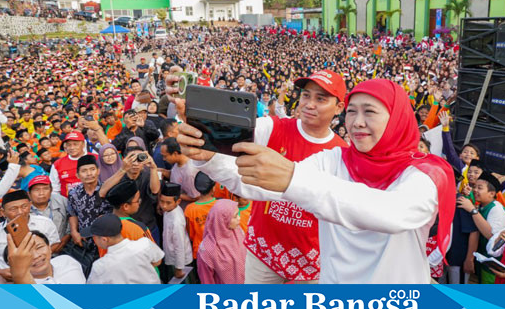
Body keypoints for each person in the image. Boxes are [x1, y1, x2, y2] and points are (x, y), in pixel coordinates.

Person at [180, 79, 455, 284]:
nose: (357, 122)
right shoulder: (334, 159)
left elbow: (391, 213)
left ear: (397, 118)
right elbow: (260, 184)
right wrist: (211, 158)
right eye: (352, 112)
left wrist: (292, 177)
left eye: (369, 112)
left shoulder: (427, 173)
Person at [172, 68, 349, 284]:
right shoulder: (272, 127)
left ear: (339, 107)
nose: (309, 104)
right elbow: (236, 166)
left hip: (311, 260)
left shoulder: (342, 154)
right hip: (263, 252)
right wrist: (207, 151)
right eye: (305, 95)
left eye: (320, 99)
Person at [0, 190, 61, 282]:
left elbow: (55, 246)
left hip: (43, 278)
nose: (20, 212)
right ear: (3, 212)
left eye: (24, 206)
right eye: (13, 209)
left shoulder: (45, 223)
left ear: (30, 205)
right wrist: (0, 272)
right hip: (8, 281)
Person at [456, 171, 505, 284]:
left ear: (491, 193)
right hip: (482, 260)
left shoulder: (496, 209)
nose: (475, 190)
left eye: (480, 188)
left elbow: (492, 236)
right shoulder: (482, 206)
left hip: (493, 266)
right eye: (475, 187)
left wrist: (472, 210)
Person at [99, 145, 161, 242]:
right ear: (125, 160)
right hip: (124, 230)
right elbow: (102, 193)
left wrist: (153, 168)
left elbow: (155, 190)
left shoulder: (148, 175)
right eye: (132, 158)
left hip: (147, 226)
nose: (136, 163)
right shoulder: (118, 176)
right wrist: (123, 169)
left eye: (139, 159)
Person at [85, 214, 164, 284]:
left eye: (94, 237)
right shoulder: (145, 244)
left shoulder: (100, 267)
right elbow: (158, 261)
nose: (93, 240)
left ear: (104, 239)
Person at [6, 231, 85, 284]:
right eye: (27, 253)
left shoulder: (67, 261)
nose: (36, 256)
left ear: (49, 248)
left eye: (39, 247)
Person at [197, 199, 245, 284]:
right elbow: (207, 282)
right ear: (223, 220)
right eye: (235, 216)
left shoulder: (238, 232)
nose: (239, 218)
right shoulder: (207, 251)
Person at [158, 183, 193, 281]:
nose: (164, 206)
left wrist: (179, 268)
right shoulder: (169, 210)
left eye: (168, 203)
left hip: (180, 263)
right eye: (161, 201)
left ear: (178, 201)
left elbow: (179, 246)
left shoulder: (176, 221)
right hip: (173, 258)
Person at [49, 131, 95, 197]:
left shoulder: (95, 158)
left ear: (83, 144)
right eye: (69, 145)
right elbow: (55, 189)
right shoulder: (58, 164)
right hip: (68, 203)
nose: (72, 148)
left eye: (75, 144)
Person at [184, 172, 217, 259]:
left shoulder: (190, 209)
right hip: (219, 250)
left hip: (200, 249)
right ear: (213, 188)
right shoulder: (220, 204)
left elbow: (190, 233)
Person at [28, 176, 69, 245]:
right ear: (29, 194)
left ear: (51, 190)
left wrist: (68, 236)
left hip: (64, 246)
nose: (41, 193)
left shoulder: (62, 201)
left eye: (45, 189)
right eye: (36, 190)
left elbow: (72, 218)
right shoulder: (25, 209)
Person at [161, 137, 200, 208]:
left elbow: (195, 197)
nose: (164, 159)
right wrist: (163, 171)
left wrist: (174, 194)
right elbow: (177, 176)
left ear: (175, 154)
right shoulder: (178, 163)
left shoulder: (189, 172)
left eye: (165, 156)